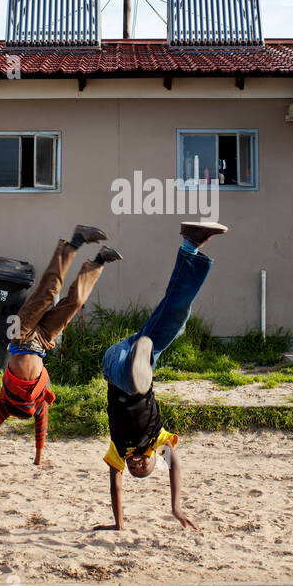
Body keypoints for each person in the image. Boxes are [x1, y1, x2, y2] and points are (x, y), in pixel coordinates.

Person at [95, 221, 227, 531]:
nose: (137, 464)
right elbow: (175, 464)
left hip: (115, 366)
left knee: (134, 382)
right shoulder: (159, 439)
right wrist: (175, 506)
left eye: (133, 468)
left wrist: (118, 524)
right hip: (140, 353)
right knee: (177, 312)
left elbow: (115, 486)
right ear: (157, 458)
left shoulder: (118, 450)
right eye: (145, 466)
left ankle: (140, 363)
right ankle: (190, 245)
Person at [0, 225, 122, 468]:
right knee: (75, 302)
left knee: (50, 291)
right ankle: (99, 260)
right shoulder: (40, 405)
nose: (27, 406)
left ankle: (75, 241)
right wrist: (38, 460)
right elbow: (41, 432)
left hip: (20, 335)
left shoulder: (4, 405)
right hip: (43, 340)